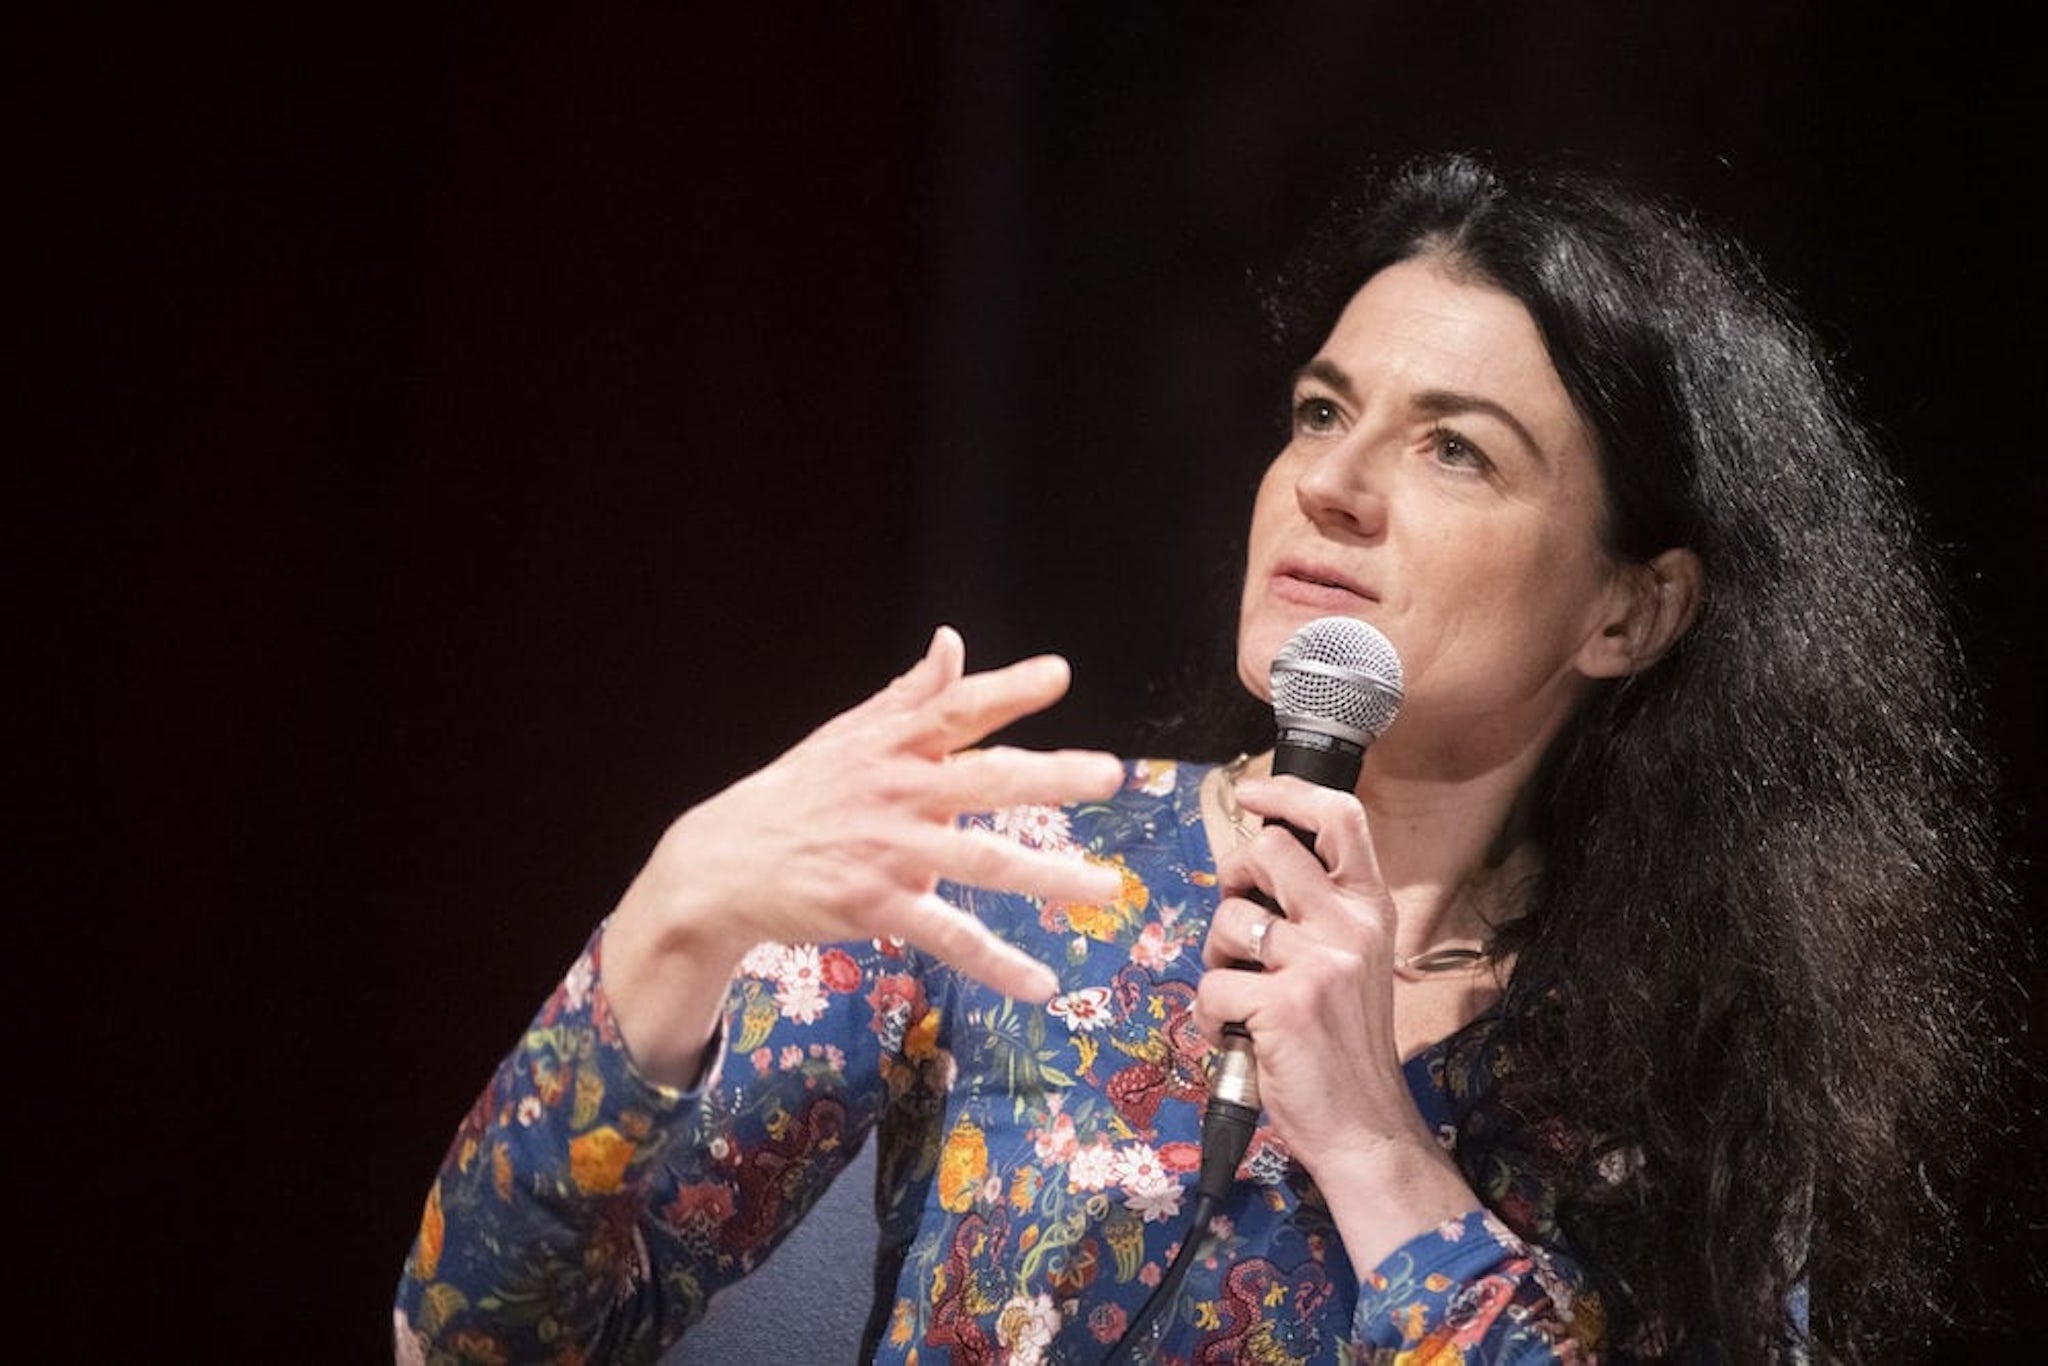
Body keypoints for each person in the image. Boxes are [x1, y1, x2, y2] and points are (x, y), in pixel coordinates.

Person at [394, 152, 2007, 1362]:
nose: (1337, 483)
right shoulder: (1022, 876)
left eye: (1457, 448)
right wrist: (671, 926)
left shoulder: (1688, 1056)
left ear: (1630, 611)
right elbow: (471, 1335)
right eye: (1319, 411)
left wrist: (1381, 1152)